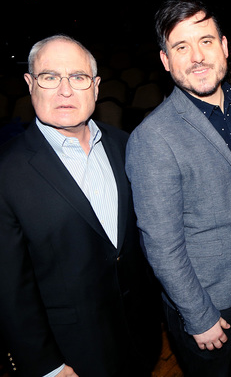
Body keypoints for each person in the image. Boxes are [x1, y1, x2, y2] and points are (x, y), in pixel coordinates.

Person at [125, 0, 231, 377]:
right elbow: (161, 244)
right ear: (165, 60)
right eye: (181, 46)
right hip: (209, 301)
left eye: (206, 41)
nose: (197, 57)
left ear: (224, 47)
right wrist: (199, 315)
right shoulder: (153, 137)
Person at [0, 35, 161, 377]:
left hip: (139, 336)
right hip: (72, 354)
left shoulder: (126, 145)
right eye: (49, 77)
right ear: (30, 84)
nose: (65, 90)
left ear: (96, 86)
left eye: (78, 77)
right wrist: (47, 365)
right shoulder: (6, 172)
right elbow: (9, 288)